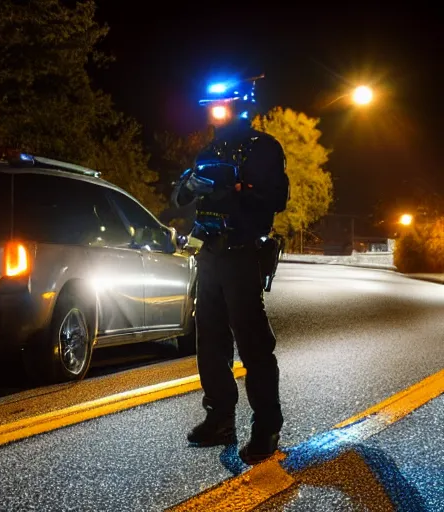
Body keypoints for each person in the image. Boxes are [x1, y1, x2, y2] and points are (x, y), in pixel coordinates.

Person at [171, 75, 290, 465]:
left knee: (253, 343)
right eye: (211, 106)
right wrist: (189, 188)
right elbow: (182, 194)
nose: (215, 112)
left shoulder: (263, 148)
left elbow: (277, 198)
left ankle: (266, 425)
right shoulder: (209, 149)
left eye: (223, 105)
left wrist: (238, 190)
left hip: (242, 252)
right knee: (210, 342)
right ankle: (220, 418)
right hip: (210, 254)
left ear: (242, 106)